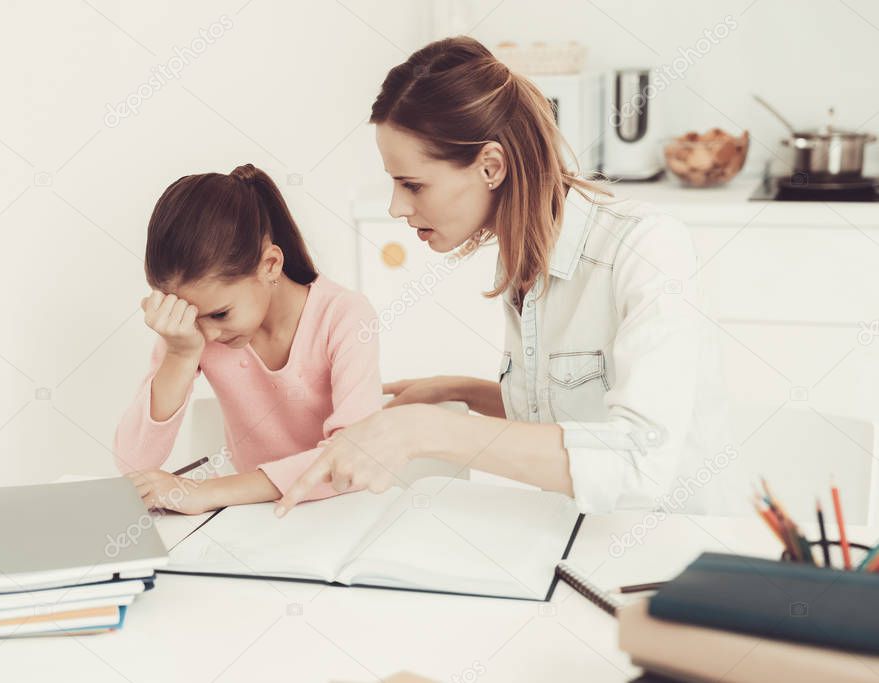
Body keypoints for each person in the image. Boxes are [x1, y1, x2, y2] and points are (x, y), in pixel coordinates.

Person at [276, 37, 730, 518]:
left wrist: (423, 430)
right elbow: (572, 416)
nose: (396, 207)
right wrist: (464, 392)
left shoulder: (647, 248)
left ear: (491, 166)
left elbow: (640, 462)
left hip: (671, 555)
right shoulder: (524, 264)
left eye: (413, 184)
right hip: (576, 539)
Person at [114, 163, 383, 514]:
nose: (208, 333)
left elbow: (352, 458)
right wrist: (179, 356)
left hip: (343, 513)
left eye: (221, 314)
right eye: (194, 319)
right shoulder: (190, 334)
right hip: (255, 519)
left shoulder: (344, 315)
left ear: (270, 264)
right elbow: (135, 464)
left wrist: (204, 492)